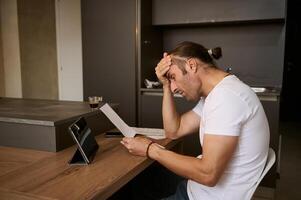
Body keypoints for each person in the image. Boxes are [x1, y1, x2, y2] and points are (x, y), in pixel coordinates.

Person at [121, 41, 270, 200]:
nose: (174, 88)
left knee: (132, 185)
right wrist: (165, 85)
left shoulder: (226, 98)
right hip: (198, 188)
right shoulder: (215, 94)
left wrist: (150, 149)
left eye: (173, 77)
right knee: (140, 180)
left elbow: (208, 174)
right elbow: (174, 131)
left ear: (191, 65)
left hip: (204, 195)